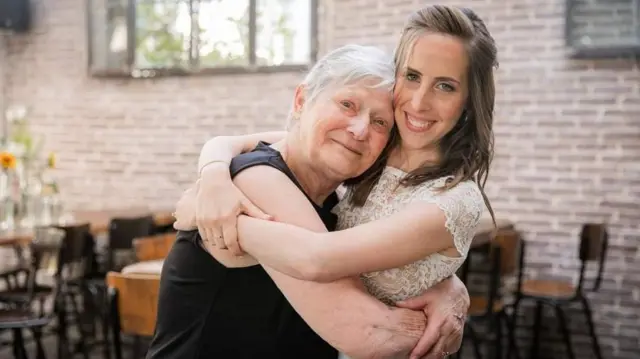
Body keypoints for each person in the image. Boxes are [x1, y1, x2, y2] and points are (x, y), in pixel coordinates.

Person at [174, 5, 498, 359]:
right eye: (346, 104)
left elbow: (326, 258)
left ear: (468, 102)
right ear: (301, 100)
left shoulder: (349, 187)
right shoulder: (260, 177)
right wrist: (215, 171)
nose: (359, 130)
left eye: (379, 122)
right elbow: (366, 331)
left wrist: (448, 285)